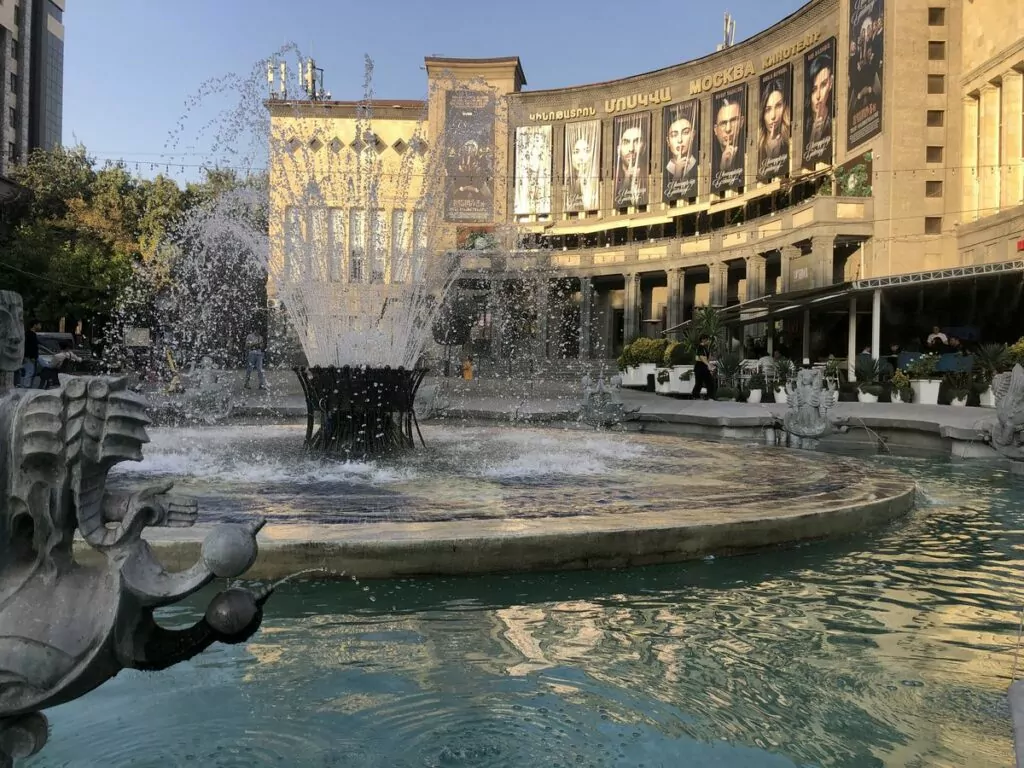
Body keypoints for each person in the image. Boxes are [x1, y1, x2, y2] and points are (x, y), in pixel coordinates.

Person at [692, 335, 717, 401]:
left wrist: (710, 365)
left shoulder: (705, 348)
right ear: (703, 340)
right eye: (707, 340)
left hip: (702, 366)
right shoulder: (700, 347)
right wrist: (708, 365)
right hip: (700, 366)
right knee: (705, 382)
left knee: (706, 382)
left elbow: (707, 357)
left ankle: (698, 396)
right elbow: (702, 357)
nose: (708, 341)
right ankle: (698, 396)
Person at [19, 320, 40, 388]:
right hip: (29, 357)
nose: (40, 326)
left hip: (31, 357)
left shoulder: (31, 334)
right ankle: (26, 387)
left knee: (32, 372)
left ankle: (28, 386)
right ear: (34, 325)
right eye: (39, 324)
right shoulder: (29, 334)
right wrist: (31, 356)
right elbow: (29, 347)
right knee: (29, 372)